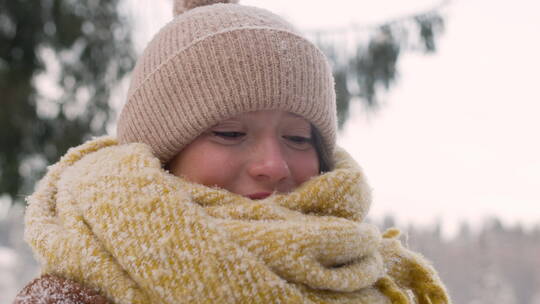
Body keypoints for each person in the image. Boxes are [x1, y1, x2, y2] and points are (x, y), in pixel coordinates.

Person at [14, 0, 451, 303]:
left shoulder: (378, 283)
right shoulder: (74, 298)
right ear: (160, 155)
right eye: (228, 133)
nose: (273, 166)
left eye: (299, 138)